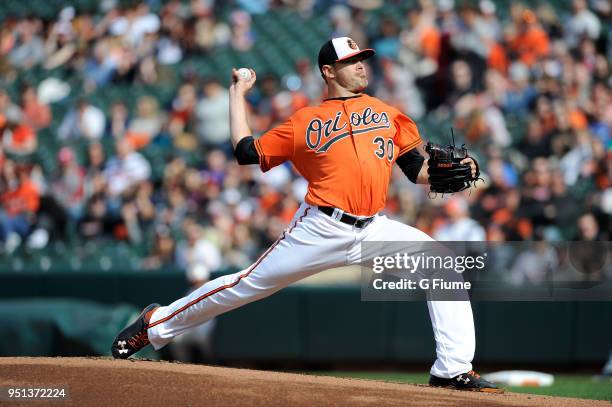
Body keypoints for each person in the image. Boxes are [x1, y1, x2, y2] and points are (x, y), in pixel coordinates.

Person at [111, 37, 501, 393]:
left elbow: (418, 171)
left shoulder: (388, 114)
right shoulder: (304, 121)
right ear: (328, 72)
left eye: (363, 59)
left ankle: (452, 369)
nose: (362, 66)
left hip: (373, 228)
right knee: (245, 284)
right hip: (321, 227)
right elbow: (247, 151)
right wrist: (237, 94)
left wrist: (449, 173)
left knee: (442, 266)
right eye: (352, 61)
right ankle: (157, 322)